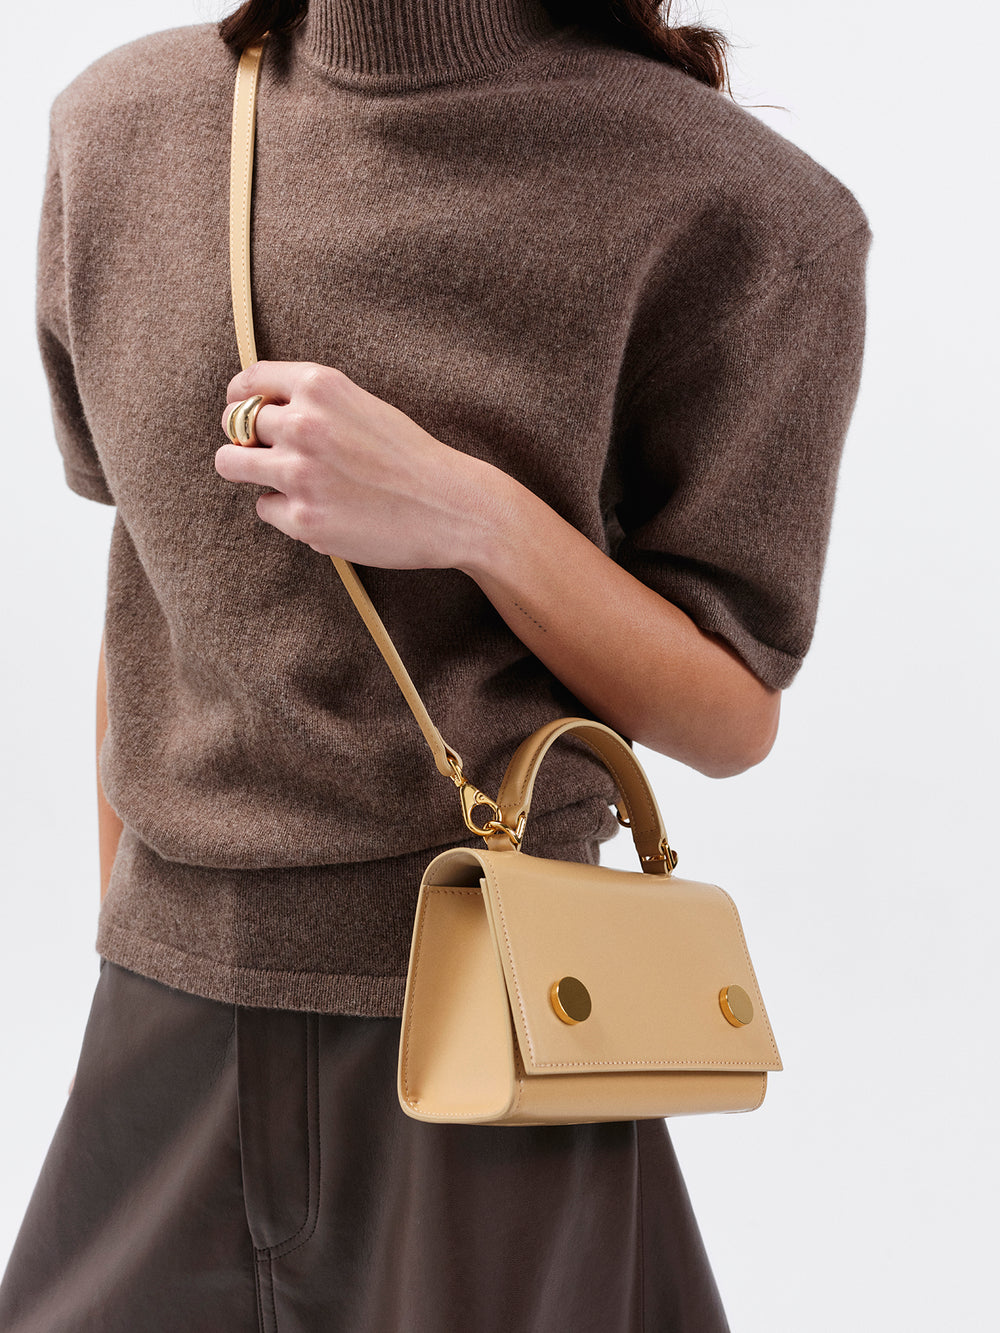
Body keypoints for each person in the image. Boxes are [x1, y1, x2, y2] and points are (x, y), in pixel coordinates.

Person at [0, 1, 871, 1329]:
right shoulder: (122, 127)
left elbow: (730, 711)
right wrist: (132, 922)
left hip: (494, 1041)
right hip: (156, 1016)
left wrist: (473, 515)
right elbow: (157, 593)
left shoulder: (738, 206)